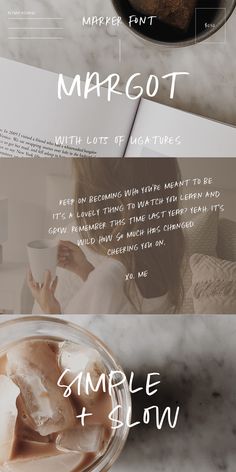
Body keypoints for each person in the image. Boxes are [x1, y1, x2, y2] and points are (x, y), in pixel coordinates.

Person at [28, 159, 185, 315]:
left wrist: (49, 310)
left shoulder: (104, 283)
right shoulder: (165, 275)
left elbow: (69, 339)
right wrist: (85, 270)